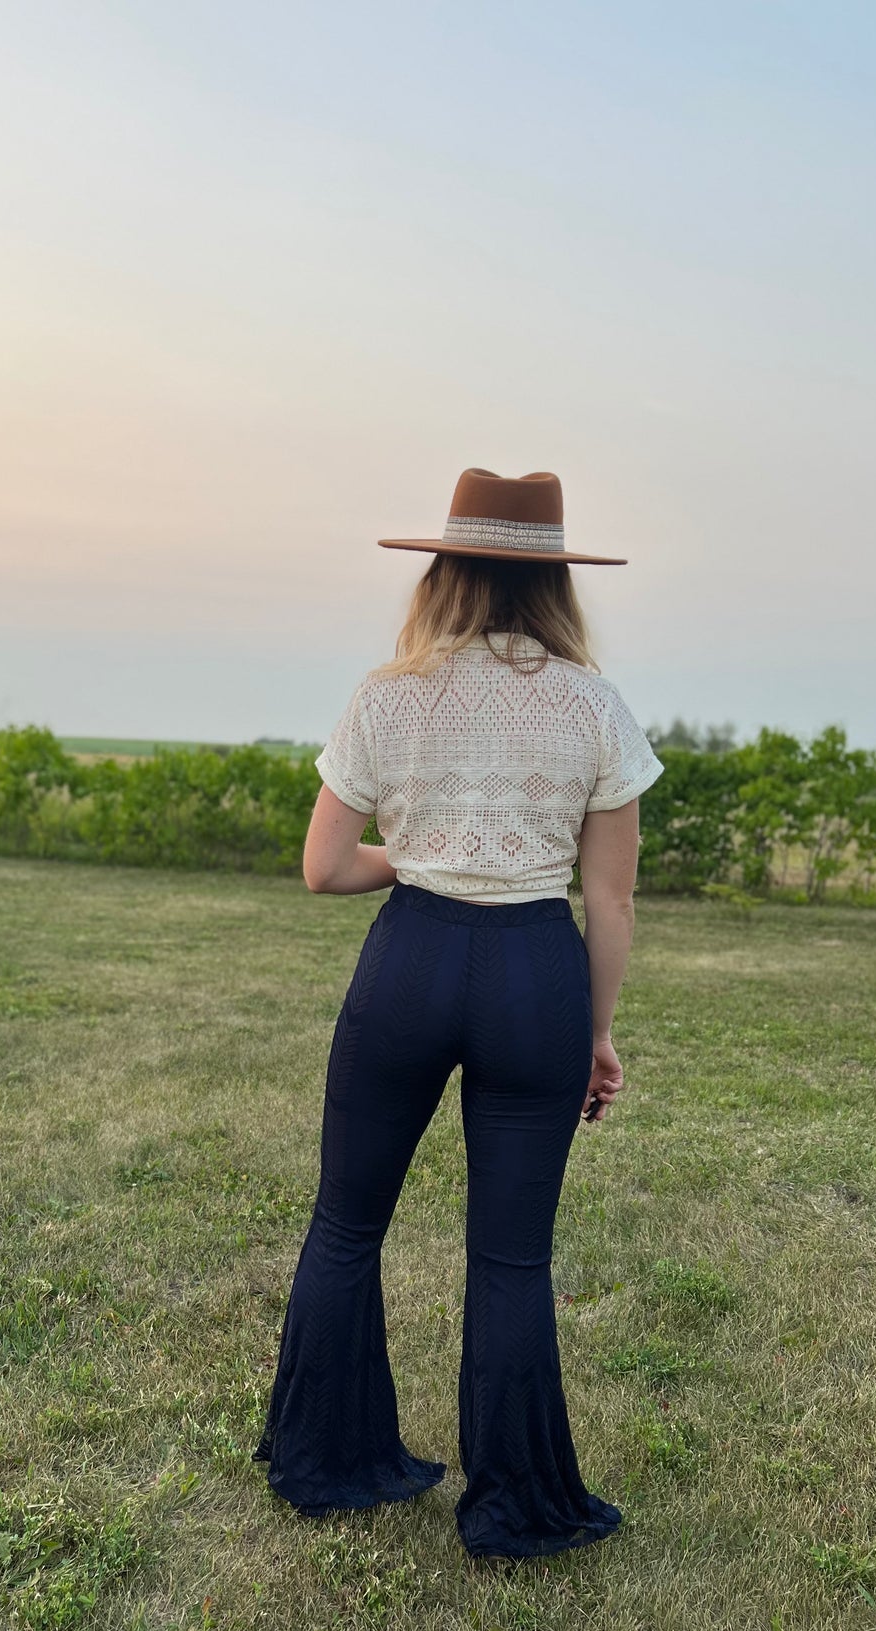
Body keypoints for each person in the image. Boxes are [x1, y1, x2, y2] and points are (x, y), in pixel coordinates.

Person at [254, 468, 664, 1560]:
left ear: (441, 569)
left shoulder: (386, 695)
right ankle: (514, 1507)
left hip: (409, 962)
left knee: (346, 1223)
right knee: (511, 1259)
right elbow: (610, 898)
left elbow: (323, 868)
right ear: (555, 581)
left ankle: (325, 1461)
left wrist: (424, 857)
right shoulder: (594, 706)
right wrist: (596, 1032)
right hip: (534, 970)